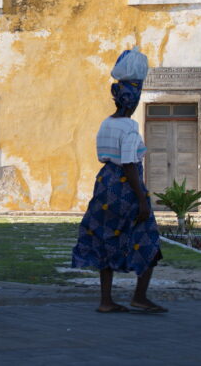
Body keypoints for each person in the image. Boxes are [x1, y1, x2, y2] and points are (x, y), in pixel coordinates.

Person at [71, 50, 167, 314]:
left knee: (105, 239)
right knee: (148, 240)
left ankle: (106, 300)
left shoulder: (106, 124)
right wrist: (141, 198)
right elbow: (128, 164)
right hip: (126, 187)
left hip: (105, 186)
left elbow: (106, 157)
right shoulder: (129, 127)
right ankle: (140, 296)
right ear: (133, 101)